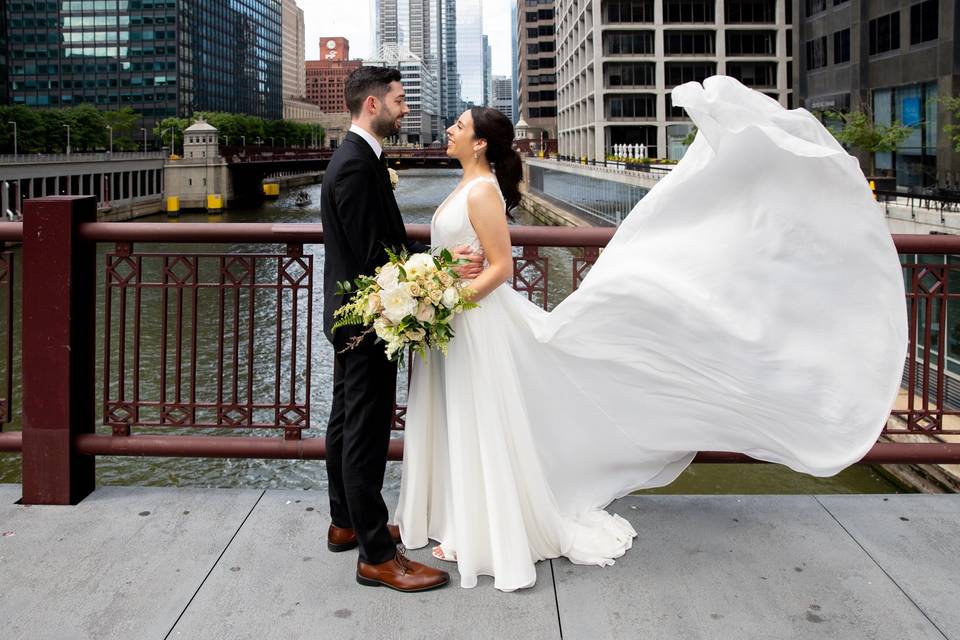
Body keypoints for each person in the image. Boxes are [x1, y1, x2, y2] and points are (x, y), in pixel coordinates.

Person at [395, 76, 909, 591]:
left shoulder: (482, 191)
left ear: (480, 142)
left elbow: (501, 267)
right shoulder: (463, 186)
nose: (449, 130)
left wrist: (448, 298)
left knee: (485, 416)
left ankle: (488, 526)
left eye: (458, 126)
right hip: (457, 324)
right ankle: (461, 514)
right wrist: (431, 277)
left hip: (477, 321)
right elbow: (461, 256)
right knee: (462, 413)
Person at [319, 65, 483, 592]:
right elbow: (376, 260)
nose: (405, 108)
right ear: (372, 105)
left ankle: (346, 522)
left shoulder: (361, 159)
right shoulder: (355, 167)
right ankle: (376, 554)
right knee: (364, 436)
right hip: (368, 320)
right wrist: (441, 266)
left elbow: (378, 247)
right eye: (398, 99)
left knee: (346, 421)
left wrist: (431, 258)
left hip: (354, 317)